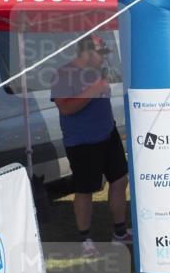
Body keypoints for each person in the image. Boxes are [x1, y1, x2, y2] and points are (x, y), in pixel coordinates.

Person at [49, 35, 132, 257]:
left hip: (108, 134)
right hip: (82, 142)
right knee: (85, 190)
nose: (104, 58)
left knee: (120, 180)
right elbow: (65, 108)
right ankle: (85, 239)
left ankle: (120, 232)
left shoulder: (96, 72)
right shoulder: (64, 74)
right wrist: (93, 90)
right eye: (101, 53)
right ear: (85, 52)